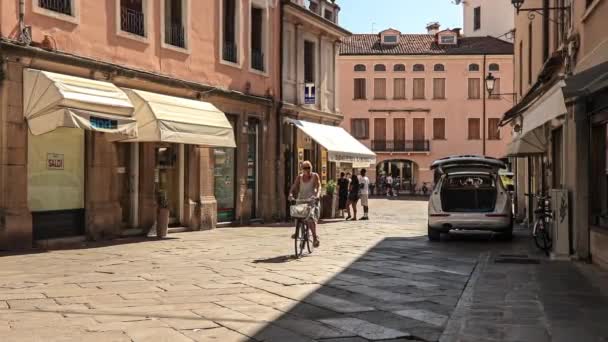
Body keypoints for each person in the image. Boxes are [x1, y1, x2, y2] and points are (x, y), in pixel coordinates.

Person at [288, 160, 321, 247]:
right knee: (297, 216)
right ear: (302, 169)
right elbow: (294, 186)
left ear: (311, 168)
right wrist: (290, 194)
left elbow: (318, 187)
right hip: (301, 200)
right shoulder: (299, 177)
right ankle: (297, 232)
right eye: (305, 168)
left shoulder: (315, 176)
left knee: (310, 219)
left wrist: (317, 195)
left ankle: (314, 237)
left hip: (311, 200)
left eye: (308, 167)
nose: (307, 169)